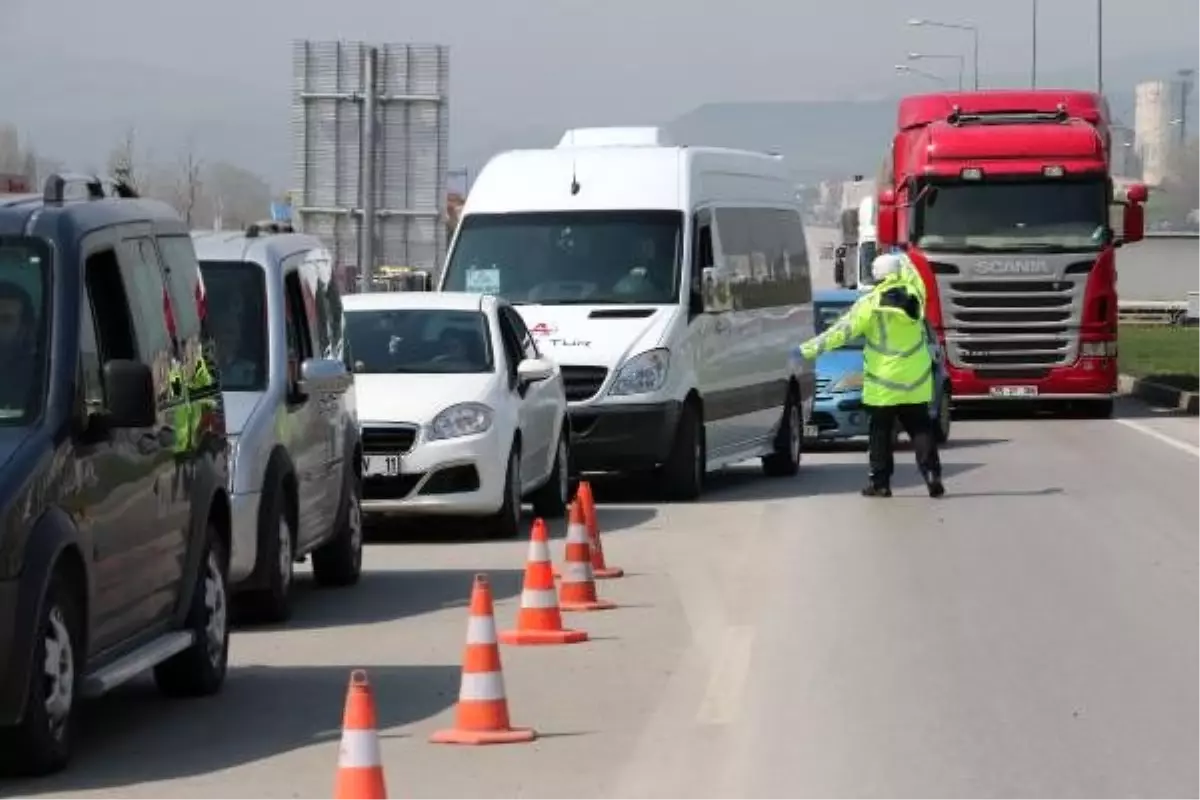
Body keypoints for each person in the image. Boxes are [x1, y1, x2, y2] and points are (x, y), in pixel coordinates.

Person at [792, 253, 944, 498]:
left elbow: (839, 333)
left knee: (880, 433)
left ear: (876, 276)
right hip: (915, 378)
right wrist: (902, 256)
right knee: (920, 428)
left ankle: (880, 483)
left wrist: (806, 350)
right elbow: (915, 275)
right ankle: (931, 474)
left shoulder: (869, 304)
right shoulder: (917, 295)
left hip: (883, 382)